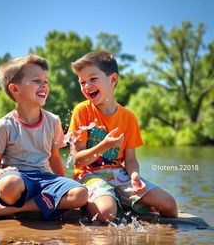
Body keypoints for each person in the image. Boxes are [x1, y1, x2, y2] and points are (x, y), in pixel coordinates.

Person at [68, 51, 178, 223]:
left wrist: (135, 176)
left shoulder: (128, 117)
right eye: (82, 82)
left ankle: (121, 199)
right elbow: (78, 161)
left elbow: (131, 159)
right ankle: (109, 201)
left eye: (93, 79)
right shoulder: (82, 111)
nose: (86, 86)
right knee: (106, 214)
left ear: (112, 80)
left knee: (169, 205)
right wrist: (104, 145)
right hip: (90, 175)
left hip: (120, 175)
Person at [0, 54, 88, 221]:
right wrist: (3, 171)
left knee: (81, 194)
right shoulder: (4, 125)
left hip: (44, 179)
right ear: (15, 89)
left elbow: (54, 159)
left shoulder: (53, 121)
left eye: (46, 81)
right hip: (18, 179)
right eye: (37, 80)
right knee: (10, 185)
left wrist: (63, 187)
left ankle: (14, 209)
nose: (44, 85)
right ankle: (41, 203)